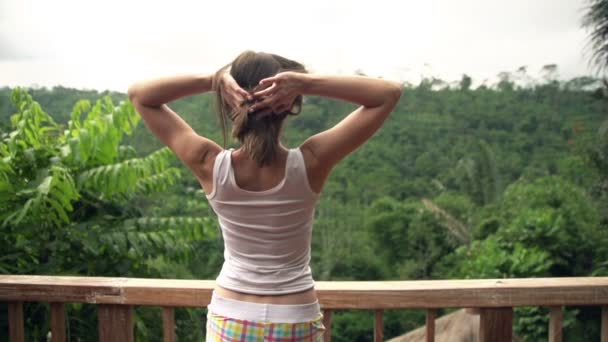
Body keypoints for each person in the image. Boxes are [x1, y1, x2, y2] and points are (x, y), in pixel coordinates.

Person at [128, 51, 402, 341]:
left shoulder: (209, 164)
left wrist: (213, 80)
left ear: (230, 100)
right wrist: (305, 83)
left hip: (231, 314)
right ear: (290, 104)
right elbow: (388, 93)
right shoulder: (311, 162)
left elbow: (140, 95)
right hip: (295, 315)